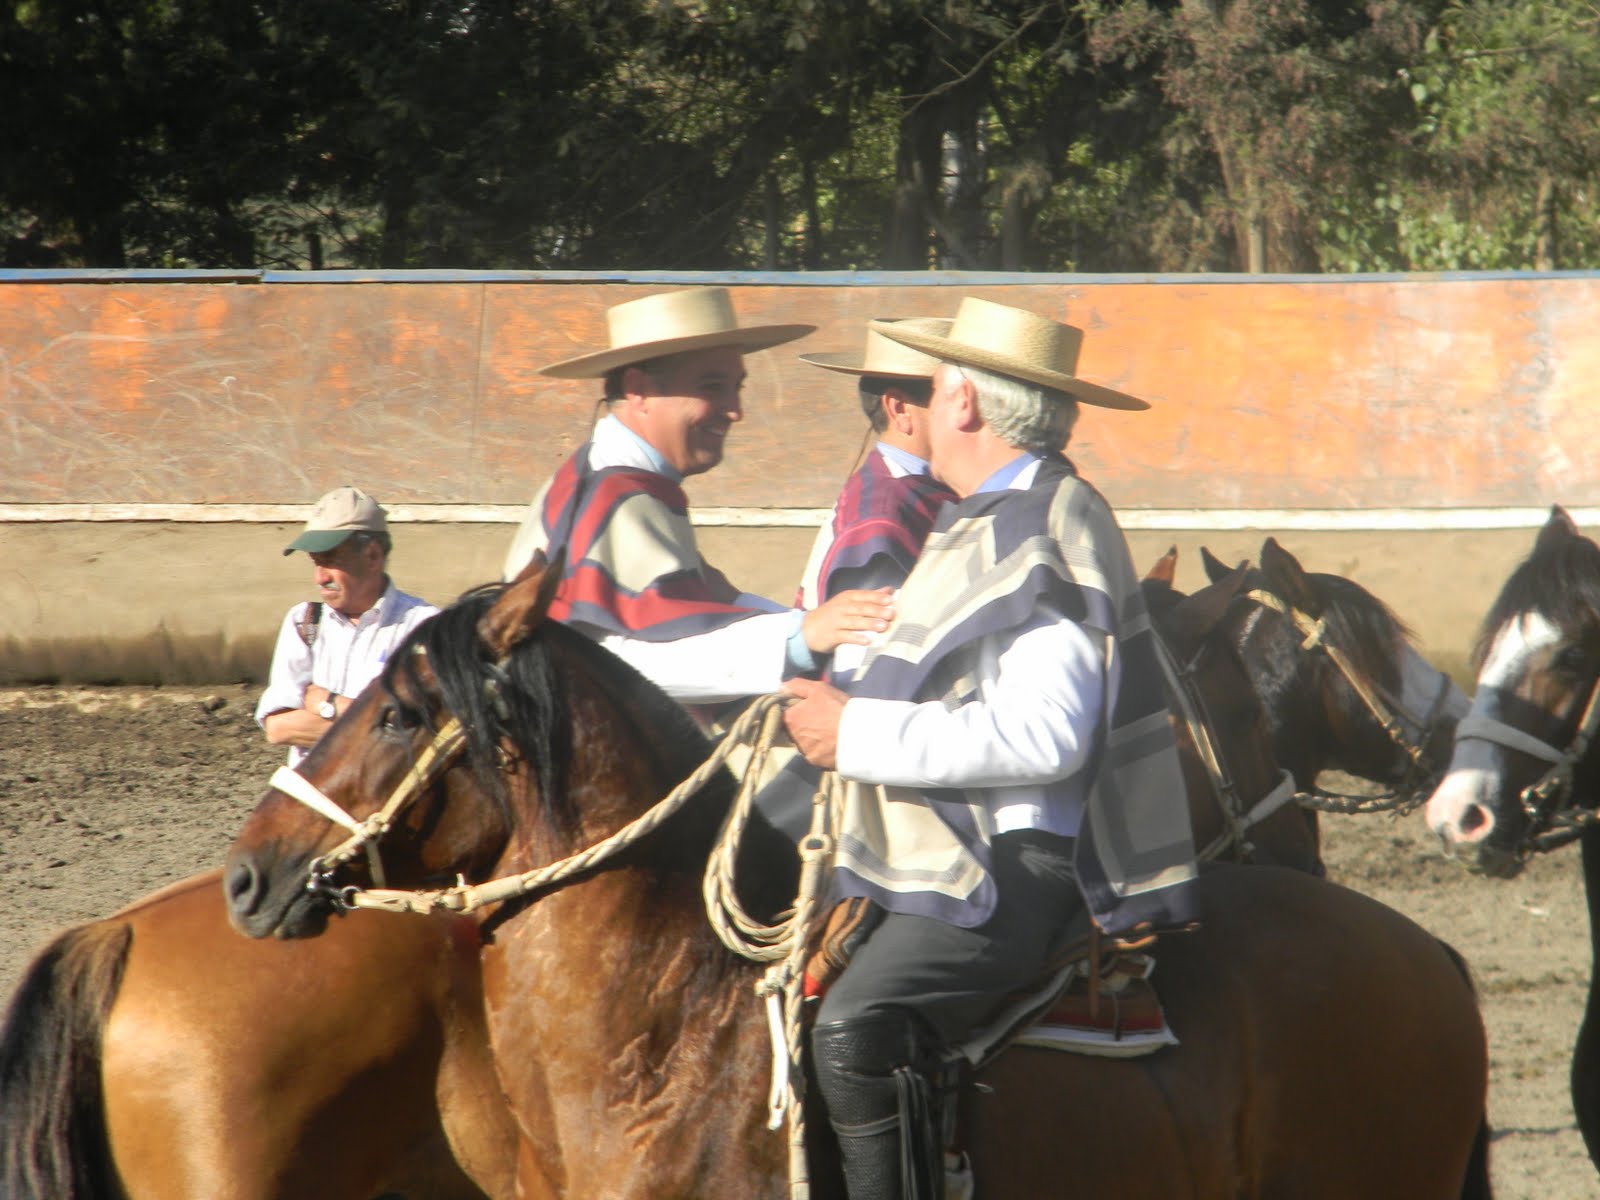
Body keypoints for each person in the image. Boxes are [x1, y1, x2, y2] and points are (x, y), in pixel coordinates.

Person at [781, 297, 1198, 1200]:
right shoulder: (990, 513)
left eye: (932, 385)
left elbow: (1044, 736)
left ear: (963, 402)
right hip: (951, 850)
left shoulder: (1040, 523)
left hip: (1012, 868)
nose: (920, 405)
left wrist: (852, 732)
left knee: (855, 1027)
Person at [501, 286, 895, 704]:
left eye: (736, 387)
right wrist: (800, 637)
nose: (735, 409)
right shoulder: (611, 497)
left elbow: (685, 608)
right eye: (712, 387)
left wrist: (808, 625)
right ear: (638, 389)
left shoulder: (609, 480)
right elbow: (599, 660)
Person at [794, 317, 957, 684]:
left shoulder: (917, 490)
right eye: (952, 400)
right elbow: (866, 666)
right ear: (899, 409)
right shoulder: (884, 516)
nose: (968, 413)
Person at [256, 486, 438, 766]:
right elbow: (279, 727)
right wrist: (372, 728)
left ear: (373, 556)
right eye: (315, 563)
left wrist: (323, 701)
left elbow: (418, 733)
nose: (320, 578)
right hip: (309, 799)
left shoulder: (423, 627)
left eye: (331, 561)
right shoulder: (304, 621)